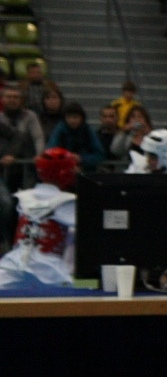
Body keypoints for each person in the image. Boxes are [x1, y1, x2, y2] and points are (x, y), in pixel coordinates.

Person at [0, 148, 79, 290]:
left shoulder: (23, 198)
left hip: (12, 265)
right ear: (65, 172)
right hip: (50, 271)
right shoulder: (68, 202)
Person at [47, 102, 107, 170]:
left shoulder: (87, 130)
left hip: (85, 169)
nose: (72, 121)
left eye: (75, 117)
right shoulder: (60, 130)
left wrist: (81, 159)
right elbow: (50, 151)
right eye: (69, 117)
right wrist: (67, 158)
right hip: (62, 169)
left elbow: (99, 154)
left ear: (81, 118)